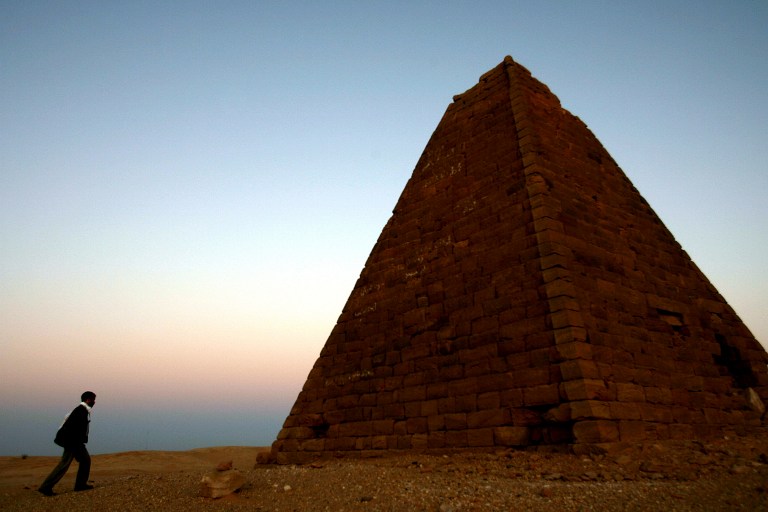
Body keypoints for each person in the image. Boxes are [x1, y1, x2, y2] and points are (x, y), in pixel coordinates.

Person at [38, 391, 96, 496]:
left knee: (85, 460)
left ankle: (80, 485)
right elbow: (74, 428)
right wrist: (77, 443)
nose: (94, 402)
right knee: (64, 464)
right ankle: (46, 487)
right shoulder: (81, 411)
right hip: (73, 442)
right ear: (88, 400)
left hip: (75, 442)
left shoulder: (82, 410)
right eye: (93, 399)